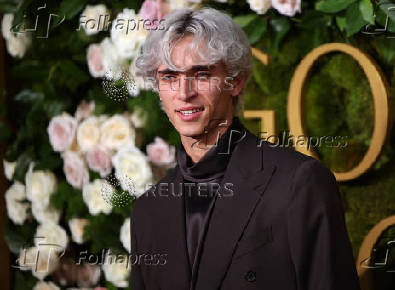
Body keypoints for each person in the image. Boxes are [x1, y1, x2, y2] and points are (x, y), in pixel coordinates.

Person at [130, 7, 360, 290]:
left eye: (201, 74)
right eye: (169, 77)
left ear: (235, 81)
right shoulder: (148, 210)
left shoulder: (298, 183)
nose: (184, 93)